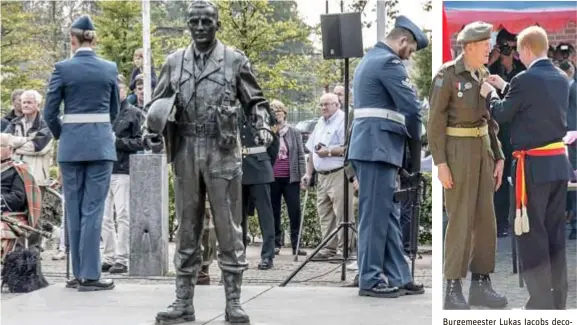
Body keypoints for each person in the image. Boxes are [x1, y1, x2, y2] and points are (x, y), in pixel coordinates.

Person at [143, 1, 274, 324]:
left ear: (217, 24)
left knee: (229, 229)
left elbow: (255, 100)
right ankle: (183, 302)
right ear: (187, 25)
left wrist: (262, 122)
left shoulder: (234, 60)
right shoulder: (174, 62)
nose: (200, 27)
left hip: (222, 149)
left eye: (206, 21)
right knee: (187, 227)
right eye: (194, 22)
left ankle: (234, 302)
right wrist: (152, 127)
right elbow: (158, 102)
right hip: (186, 148)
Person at [484, 26, 573, 310]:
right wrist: (505, 87)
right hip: (558, 163)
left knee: (531, 235)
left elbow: (502, 113)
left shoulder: (524, 78)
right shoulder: (561, 78)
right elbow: (536, 104)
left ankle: (540, 301)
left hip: (532, 166)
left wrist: (489, 94)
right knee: (554, 232)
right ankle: (557, 298)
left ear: (526, 50)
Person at [428, 21, 508, 310]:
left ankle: (480, 285)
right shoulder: (447, 75)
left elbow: (489, 122)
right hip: (458, 153)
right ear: (470, 46)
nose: (490, 49)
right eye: (485, 44)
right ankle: (452, 288)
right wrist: (441, 162)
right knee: (460, 220)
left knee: (486, 221)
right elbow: (434, 122)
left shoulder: (483, 74)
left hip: (483, 151)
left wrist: (498, 156)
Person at [348, 16, 427, 298]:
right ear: (403, 40)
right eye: (412, 49)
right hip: (377, 148)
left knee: (387, 214)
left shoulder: (372, 59)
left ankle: (399, 275)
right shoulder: (389, 63)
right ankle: (369, 279)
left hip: (375, 147)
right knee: (374, 216)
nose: (410, 56)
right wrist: (416, 151)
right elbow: (412, 109)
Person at [43, 14, 119, 292]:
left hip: (71, 146)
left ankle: (78, 273)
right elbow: (114, 111)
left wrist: (65, 134)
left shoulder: (62, 68)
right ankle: (90, 275)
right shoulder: (109, 68)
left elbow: (49, 112)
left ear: (72, 40)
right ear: (94, 39)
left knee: (73, 209)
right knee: (93, 209)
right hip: (100, 145)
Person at [101, 75, 145, 274]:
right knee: (104, 217)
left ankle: (122, 257)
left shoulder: (134, 113)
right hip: (103, 169)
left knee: (123, 214)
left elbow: (141, 142)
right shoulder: (104, 113)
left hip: (123, 169)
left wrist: (116, 141)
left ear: (124, 91)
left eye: (117, 89)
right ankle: (108, 256)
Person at [240, 111, 279, 270]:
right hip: (238, 169)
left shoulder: (263, 112)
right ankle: (239, 255)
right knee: (238, 217)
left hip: (260, 169)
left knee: (265, 216)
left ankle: (267, 256)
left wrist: (266, 164)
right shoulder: (231, 109)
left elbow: (274, 144)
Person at [269, 100, 307, 256]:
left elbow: (299, 155)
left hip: (291, 178)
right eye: (273, 111)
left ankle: (296, 244)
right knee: (274, 211)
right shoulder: (268, 132)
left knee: (295, 211)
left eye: (279, 111)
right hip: (273, 177)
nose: (277, 114)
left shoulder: (294, 132)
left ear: (285, 113)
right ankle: (276, 243)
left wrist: (304, 175)